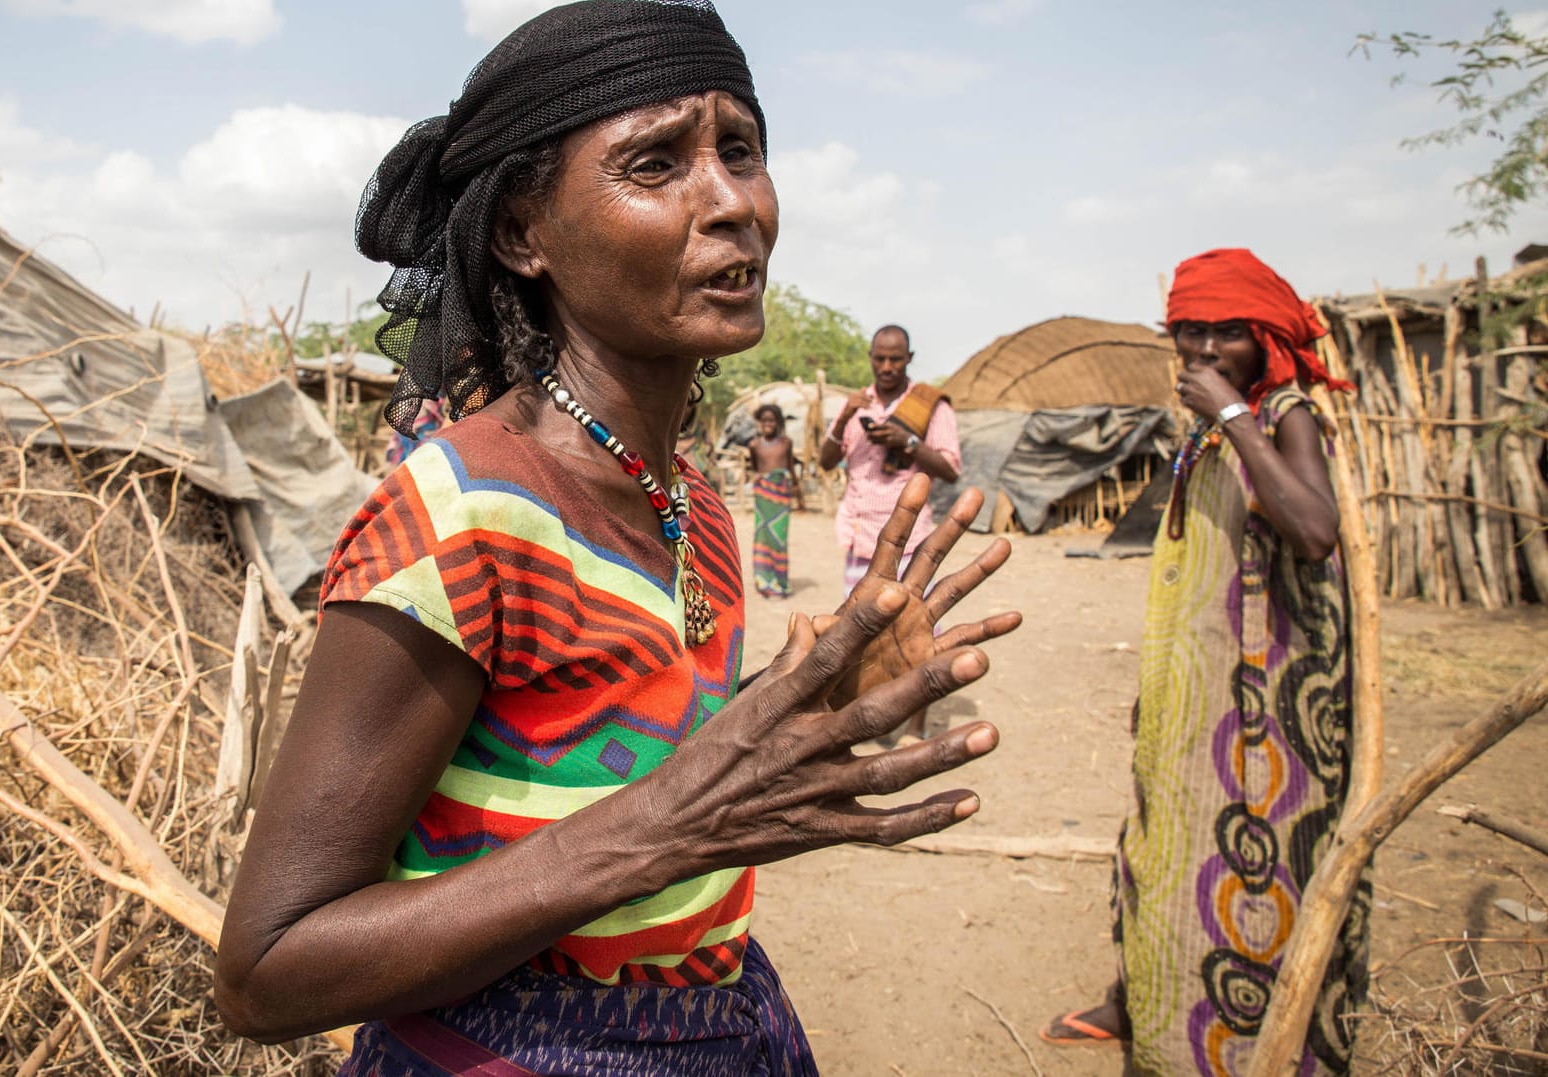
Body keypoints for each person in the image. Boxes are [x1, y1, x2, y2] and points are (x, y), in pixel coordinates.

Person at [213, 3, 1023, 1072]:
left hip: (725, 1019)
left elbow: (610, 765)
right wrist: (665, 827)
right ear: (523, 234)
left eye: (741, 149)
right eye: (656, 165)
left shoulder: (693, 501)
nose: (733, 201)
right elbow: (268, 970)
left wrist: (812, 704)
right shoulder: (461, 516)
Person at [1043, 249, 1364, 1076]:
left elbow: (1314, 529)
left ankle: (1250, 1038)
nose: (1209, 349)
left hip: (1267, 712)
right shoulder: (1212, 424)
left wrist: (1232, 416)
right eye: (1193, 330)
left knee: (1257, 870)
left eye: (1231, 332)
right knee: (1160, 847)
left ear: (1266, 337)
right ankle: (1148, 998)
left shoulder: (1283, 412)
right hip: (1201, 698)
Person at [820, 325, 961, 598]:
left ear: (909, 357)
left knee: (912, 630)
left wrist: (907, 442)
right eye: (879, 358)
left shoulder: (930, 406)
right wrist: (845, 416)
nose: (887, 367)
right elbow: (825, 462)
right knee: (857, 629)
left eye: (895, 359)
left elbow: (951, 470)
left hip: (909, 541)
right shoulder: (856, 404)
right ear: (870, 356)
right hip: (860, 539)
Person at [747, 402, 802, 598]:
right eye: (764, 420)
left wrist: (795, 486)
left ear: (778, 422)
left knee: (779, 538)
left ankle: (780, 581)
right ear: (760, 423)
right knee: (763, 536)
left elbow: (789, 466)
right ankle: (764, 581)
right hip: (763, 496)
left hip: (781, 494)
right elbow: (755, 467)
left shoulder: (786, 442)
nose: (768, 424)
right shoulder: (754, 445)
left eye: (771, 420)